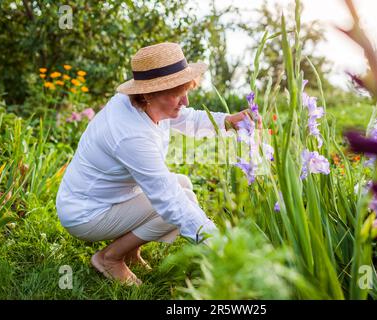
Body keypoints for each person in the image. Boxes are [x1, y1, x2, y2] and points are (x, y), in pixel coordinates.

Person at [55, 42, 254, 285]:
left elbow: (188, 117)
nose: (186, 102)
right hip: (86, 213)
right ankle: (110, 258)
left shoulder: (144, 104)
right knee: (173, 206)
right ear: (149, 93)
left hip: (109, 198)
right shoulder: (130, 134)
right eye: (178, 94)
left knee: (182, 183)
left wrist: (228, 121)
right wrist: (224, 250)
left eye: (186, 92)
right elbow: (171, 202)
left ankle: (130, 250)